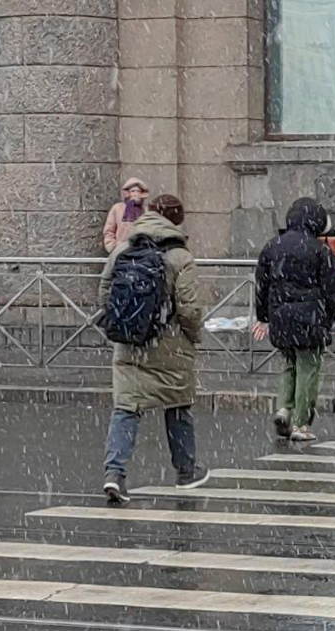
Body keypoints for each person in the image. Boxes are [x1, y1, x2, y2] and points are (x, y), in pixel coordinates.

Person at [99, 194, 210, 503]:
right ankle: (186, 471)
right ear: (176, 220)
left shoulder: (123, 247)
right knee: (177, 406)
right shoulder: (180, 256)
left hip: (131, 343)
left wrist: (121, 326)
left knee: (126, 408)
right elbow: (189, 308)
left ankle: (114, 473)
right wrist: (193, 335)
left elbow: (104, 293)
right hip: (171, 344)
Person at [253, 197, 335, 442]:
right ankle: (301, 423)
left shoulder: (272, 246)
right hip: (311, 317)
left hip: (280, 316)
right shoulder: (320, 250)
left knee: (289, 364)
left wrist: (263, 316)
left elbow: (261, 285)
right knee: (309, 367)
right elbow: (333, 289)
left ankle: (283, 408)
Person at [104, 178, 149, 253]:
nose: (135, 193)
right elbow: (109, 231)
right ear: (128, 193)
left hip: (143, 252)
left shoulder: (147, 210)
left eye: (138, 191)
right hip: (121, 251)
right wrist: (113, 247)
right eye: (133, 191)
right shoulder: (117, 208)